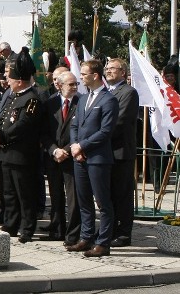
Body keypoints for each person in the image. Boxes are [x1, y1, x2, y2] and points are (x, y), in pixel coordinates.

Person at [67, 59, 119, 258]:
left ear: (95, 75)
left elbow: (105, 131)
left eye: (83, 74)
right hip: (79, 157)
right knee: (84, 201)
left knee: (103, 202)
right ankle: (85, 237)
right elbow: (75, 126)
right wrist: (74, 146)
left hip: (98, 158)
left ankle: (103, 243)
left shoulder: (108, 100)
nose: (80, 78)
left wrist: (82, 145)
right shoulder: (82, 99)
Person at [0, 47, 43, 243]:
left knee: (25, 194)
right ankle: (10, 223)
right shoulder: (14, 97)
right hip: (7, 153)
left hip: (22, 154)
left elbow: (23, 124)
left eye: (11, 79)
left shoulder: (32, 99)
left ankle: (27, 228)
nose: (8, 82)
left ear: (20, 81)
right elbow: (3, 117)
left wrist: (4, 136)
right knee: (9, 193)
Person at [42, 71, 81, 245]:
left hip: (71, 156)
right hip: (53, 157)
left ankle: (73, 233)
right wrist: (53, 150)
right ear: (59, 85)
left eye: (76, 84)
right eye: (70, 84)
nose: (74, 87)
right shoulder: (50, 103)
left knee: (74, 198)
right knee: (56, 194)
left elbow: (82, 131)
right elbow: (44, 132)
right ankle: (57, 229)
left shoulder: (81, 102)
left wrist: (65, 150)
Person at [105, 58, 139, 248]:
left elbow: (120, 121)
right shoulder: (105, 91)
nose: (108, 71)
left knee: (122, 195)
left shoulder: (128, 92)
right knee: (108, 195)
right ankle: (109, 230)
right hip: (106, 152)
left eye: (112, 68)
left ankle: (124, 234)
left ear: (123, 72)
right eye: (107, 68)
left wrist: (98, 135)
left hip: (120, 152)